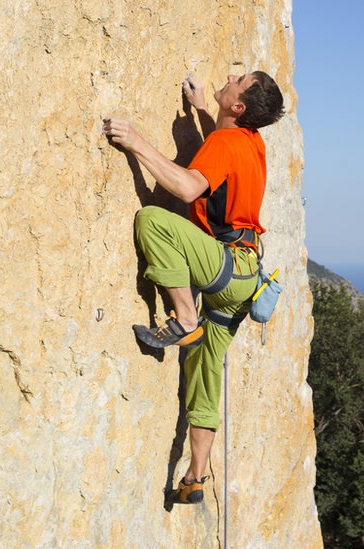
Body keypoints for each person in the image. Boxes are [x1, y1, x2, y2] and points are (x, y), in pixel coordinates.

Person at [102, 69, 285, 504]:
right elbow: (221, 140)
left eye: (239, 80)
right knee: (205, 373)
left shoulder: (227, 142)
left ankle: (186, 317)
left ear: (238, 105)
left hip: (225, 264)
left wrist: (136, 143)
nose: (231, 75)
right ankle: (195, 477)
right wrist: (203, 106)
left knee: (153, 221)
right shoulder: (251, 140)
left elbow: (188, 187)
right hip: (244, 279)